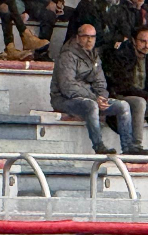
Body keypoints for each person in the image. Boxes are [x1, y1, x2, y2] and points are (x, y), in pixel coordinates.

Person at [52, 22, 141, 154]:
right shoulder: (67, 56)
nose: (89, 40)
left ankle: (128, 147)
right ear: (77, 37)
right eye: (85, 36)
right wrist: (94, 98)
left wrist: (102, 98)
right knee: (91, 105)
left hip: (92, 98)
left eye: (92, 37)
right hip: (64, 99)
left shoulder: (94, 56)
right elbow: (68, 87)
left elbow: (101, 82)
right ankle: (98, 145)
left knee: (123, 106)